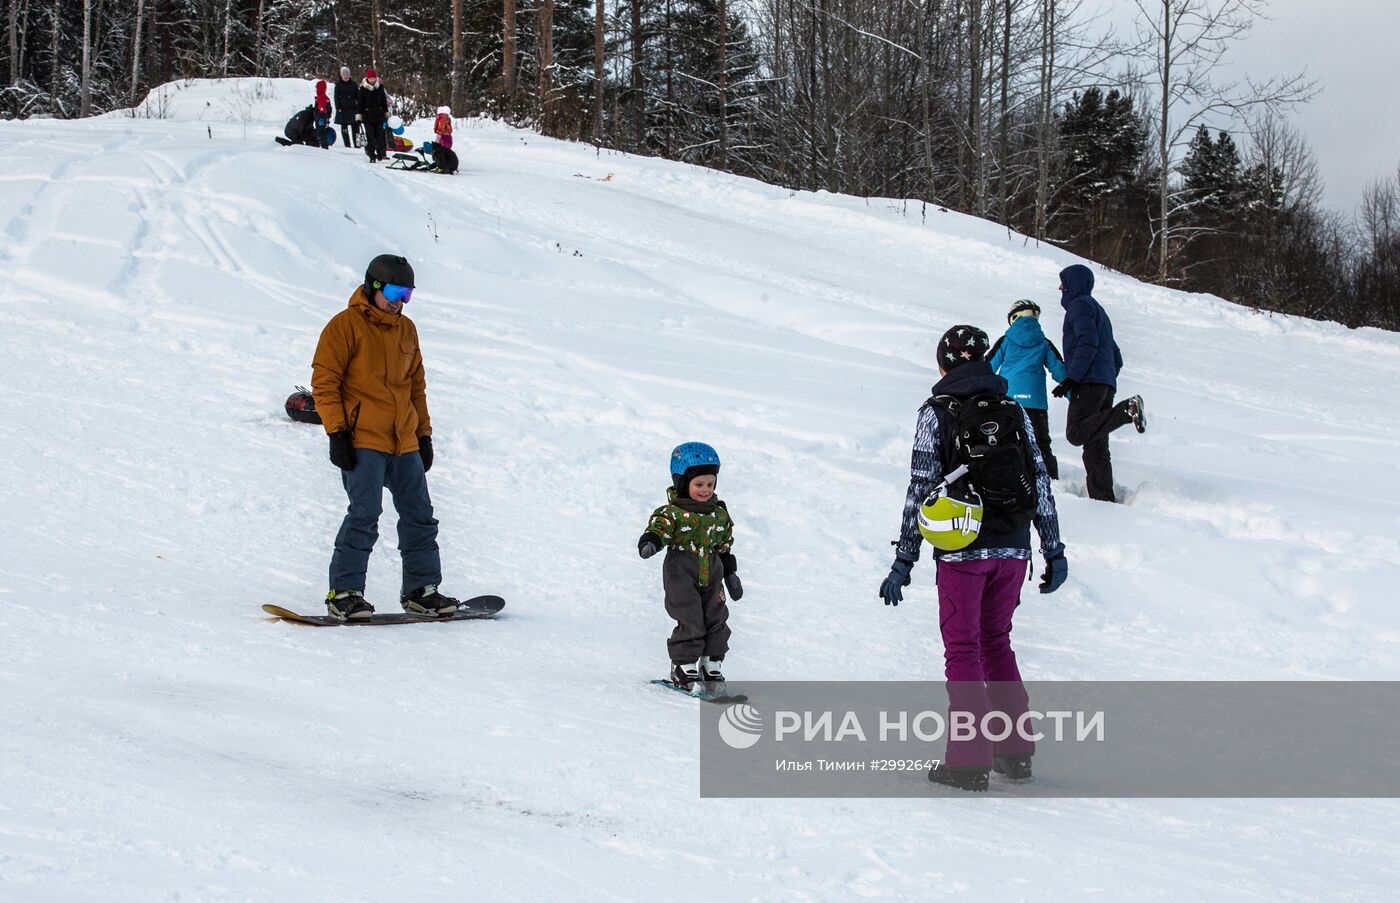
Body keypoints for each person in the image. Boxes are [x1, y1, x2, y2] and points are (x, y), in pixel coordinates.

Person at [878, 325, 1067, 792]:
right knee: (996, 643)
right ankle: (1015, 753)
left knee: (963, 651)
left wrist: (905, 558)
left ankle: (967, 762)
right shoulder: (1013, 408)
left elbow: (920, 487)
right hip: (1014, 547)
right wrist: (1053, 547)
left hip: (962, 550)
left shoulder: (937, 411)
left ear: (943, 364)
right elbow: (1039, 478)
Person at [310, 254, 462, 620]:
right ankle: (344, 593)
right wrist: (337, 433)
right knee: (364, 514)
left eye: (407, 294)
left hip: (404, 440)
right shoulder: (344, 327)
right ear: (373, 286)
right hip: (363, 439)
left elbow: (416, 389)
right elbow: (324, 383)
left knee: (420, 516)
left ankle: (421, 591)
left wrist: (423, 436)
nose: (400, 301)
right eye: (395, 291)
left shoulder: (406, 330)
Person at [637, 443, 743, 691]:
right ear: (683, 483)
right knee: (691, 618)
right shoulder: (672, 513)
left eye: (710, 484)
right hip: (681, 571)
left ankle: (711, 664)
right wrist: (651, 541)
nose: (706, 490)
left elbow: (725, 545)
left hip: (713, 571)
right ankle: (683, 667)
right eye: (699, 485)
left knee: (717, 618)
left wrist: (731, 573)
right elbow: (658, 527)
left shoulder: (719, 514)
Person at [1051, 264, 1147, 503]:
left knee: (1075, 434)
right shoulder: (1098, 311)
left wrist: (1073, 378)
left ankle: (1127, 410)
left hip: (1088, 381)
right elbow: (1116, 356)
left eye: (1063, 282)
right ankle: (1102, 501)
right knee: (1095, 446)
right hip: (1104, 382)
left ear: (1073, 283)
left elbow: (1087, 341)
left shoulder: (1079, 306)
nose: (1060, 287)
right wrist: (1107, 379)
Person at [988, 299, 1067, 479]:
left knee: (1006, 439)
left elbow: (988, 367)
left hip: (1008, 400)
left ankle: (1008, 476)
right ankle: (1050, 478)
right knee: (1041, 442)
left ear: (1014, 317)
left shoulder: (1006, 341)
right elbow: (1061, 371)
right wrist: (1074, 394)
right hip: (1036, 403)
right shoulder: (1044, 343)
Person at [357, 68, 390, 162]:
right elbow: (360, 103)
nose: (372, 80)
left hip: (379, 116)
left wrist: (386, 113)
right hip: (367, 116)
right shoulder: (363, 89)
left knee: (379, 136)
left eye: (374, 78)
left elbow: (384, 102)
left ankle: (380, 153)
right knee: (370, 137)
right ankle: (372, 155)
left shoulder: (380, 88)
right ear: (367, 78)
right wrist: (359, 115)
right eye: (370, 78)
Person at [333, 66, 361, 148]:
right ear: (341, 75)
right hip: (343, 110)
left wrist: (359, 107)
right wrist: (338, 108)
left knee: (356, 129)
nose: (346, 76)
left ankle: (358, 144)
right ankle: (347, 145)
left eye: (347, 74)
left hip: (353, 109)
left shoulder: (354, 84)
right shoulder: (338, 85)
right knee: (344, 129)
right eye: (344, 74)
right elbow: (336, 97)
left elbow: (358, 97)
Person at [312, 80, 333, 149]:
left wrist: (321, 114)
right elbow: (329, 109)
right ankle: (322, 147)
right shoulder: (325, 97)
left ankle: (324, 148)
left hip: (321, 118)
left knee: (320, 134)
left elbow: (322, 108)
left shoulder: (321, 97)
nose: (316, 90)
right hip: (323, 117)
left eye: (317, 88)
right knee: (321, 133)